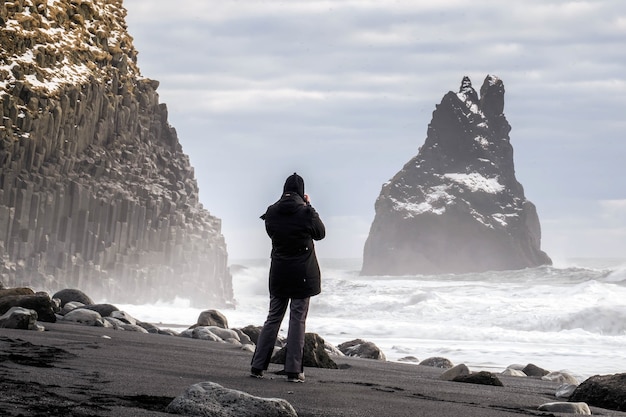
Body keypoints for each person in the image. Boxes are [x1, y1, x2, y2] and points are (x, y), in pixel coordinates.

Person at [250, 172, 326, 383]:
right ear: (302, 192)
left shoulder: (271, 212)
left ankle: (257, 366)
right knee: (297, 319)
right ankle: (293, 370)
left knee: (273, 317)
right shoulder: (306, 212)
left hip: (279, 272)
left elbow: (272, 233)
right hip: (303, 273)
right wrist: (309, 206)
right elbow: (320, 233)